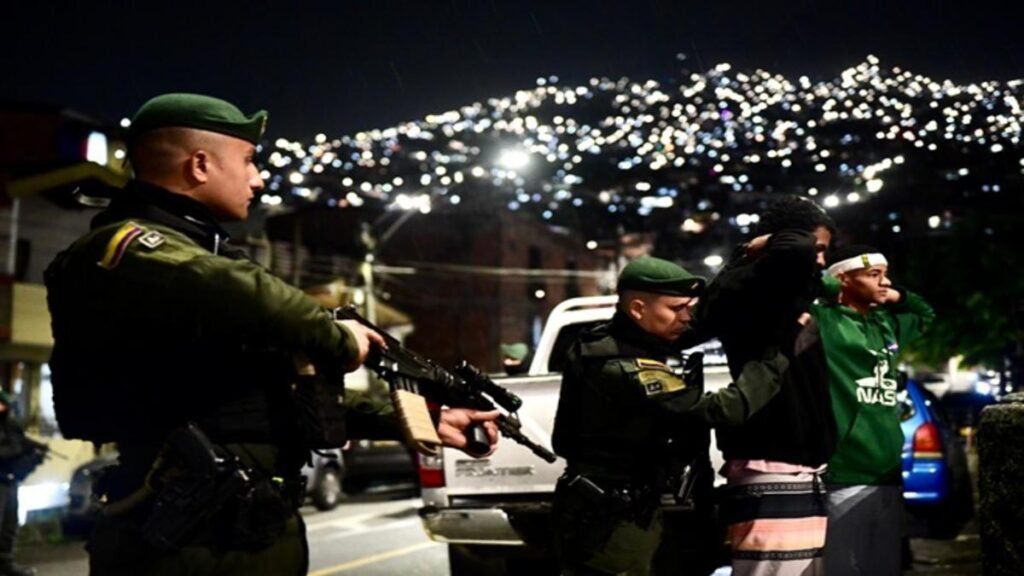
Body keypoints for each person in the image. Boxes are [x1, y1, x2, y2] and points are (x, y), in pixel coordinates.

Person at [43, 93, 499, 576]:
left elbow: (277, 398)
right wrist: (338, 337)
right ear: (199, 165)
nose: (258, 179)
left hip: (245, 530)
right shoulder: (127, 248)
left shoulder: (208, 270)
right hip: (185, 542)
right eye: (248, 160)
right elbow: (237, 288)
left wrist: (427, 419)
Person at [551, 257, 790, 576]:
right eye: (677, 308)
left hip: (611, 505)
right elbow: (722, 409)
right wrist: (775, 360)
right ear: (638, 309)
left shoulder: (604, 342)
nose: (687, 317)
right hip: (613, 517)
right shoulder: (625, 367)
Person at [698, 195, 837, 575]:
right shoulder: (755, 288)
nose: (821, 261)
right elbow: (796, 247)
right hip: (771, 462)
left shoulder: (781, 289)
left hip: (796, 465)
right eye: (818, 249)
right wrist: (755, 247)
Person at [815, 245, 934, 576]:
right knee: (843, 569)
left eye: (886, 274)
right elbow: (803, 288)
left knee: (885, 568)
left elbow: (924, 314)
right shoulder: (825, 321)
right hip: (845, 472)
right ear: (843, 280)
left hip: (888, 472)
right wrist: (830, 286)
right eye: (874, 275)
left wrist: (894, 296)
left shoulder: (885, 324)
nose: (886, 282)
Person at [0, 392, 39, 576]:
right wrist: (15, 450)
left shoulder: (10, 424)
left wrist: (32, 450)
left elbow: (22, 441)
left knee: (10, 524)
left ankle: (5, 562)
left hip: (9, 481)